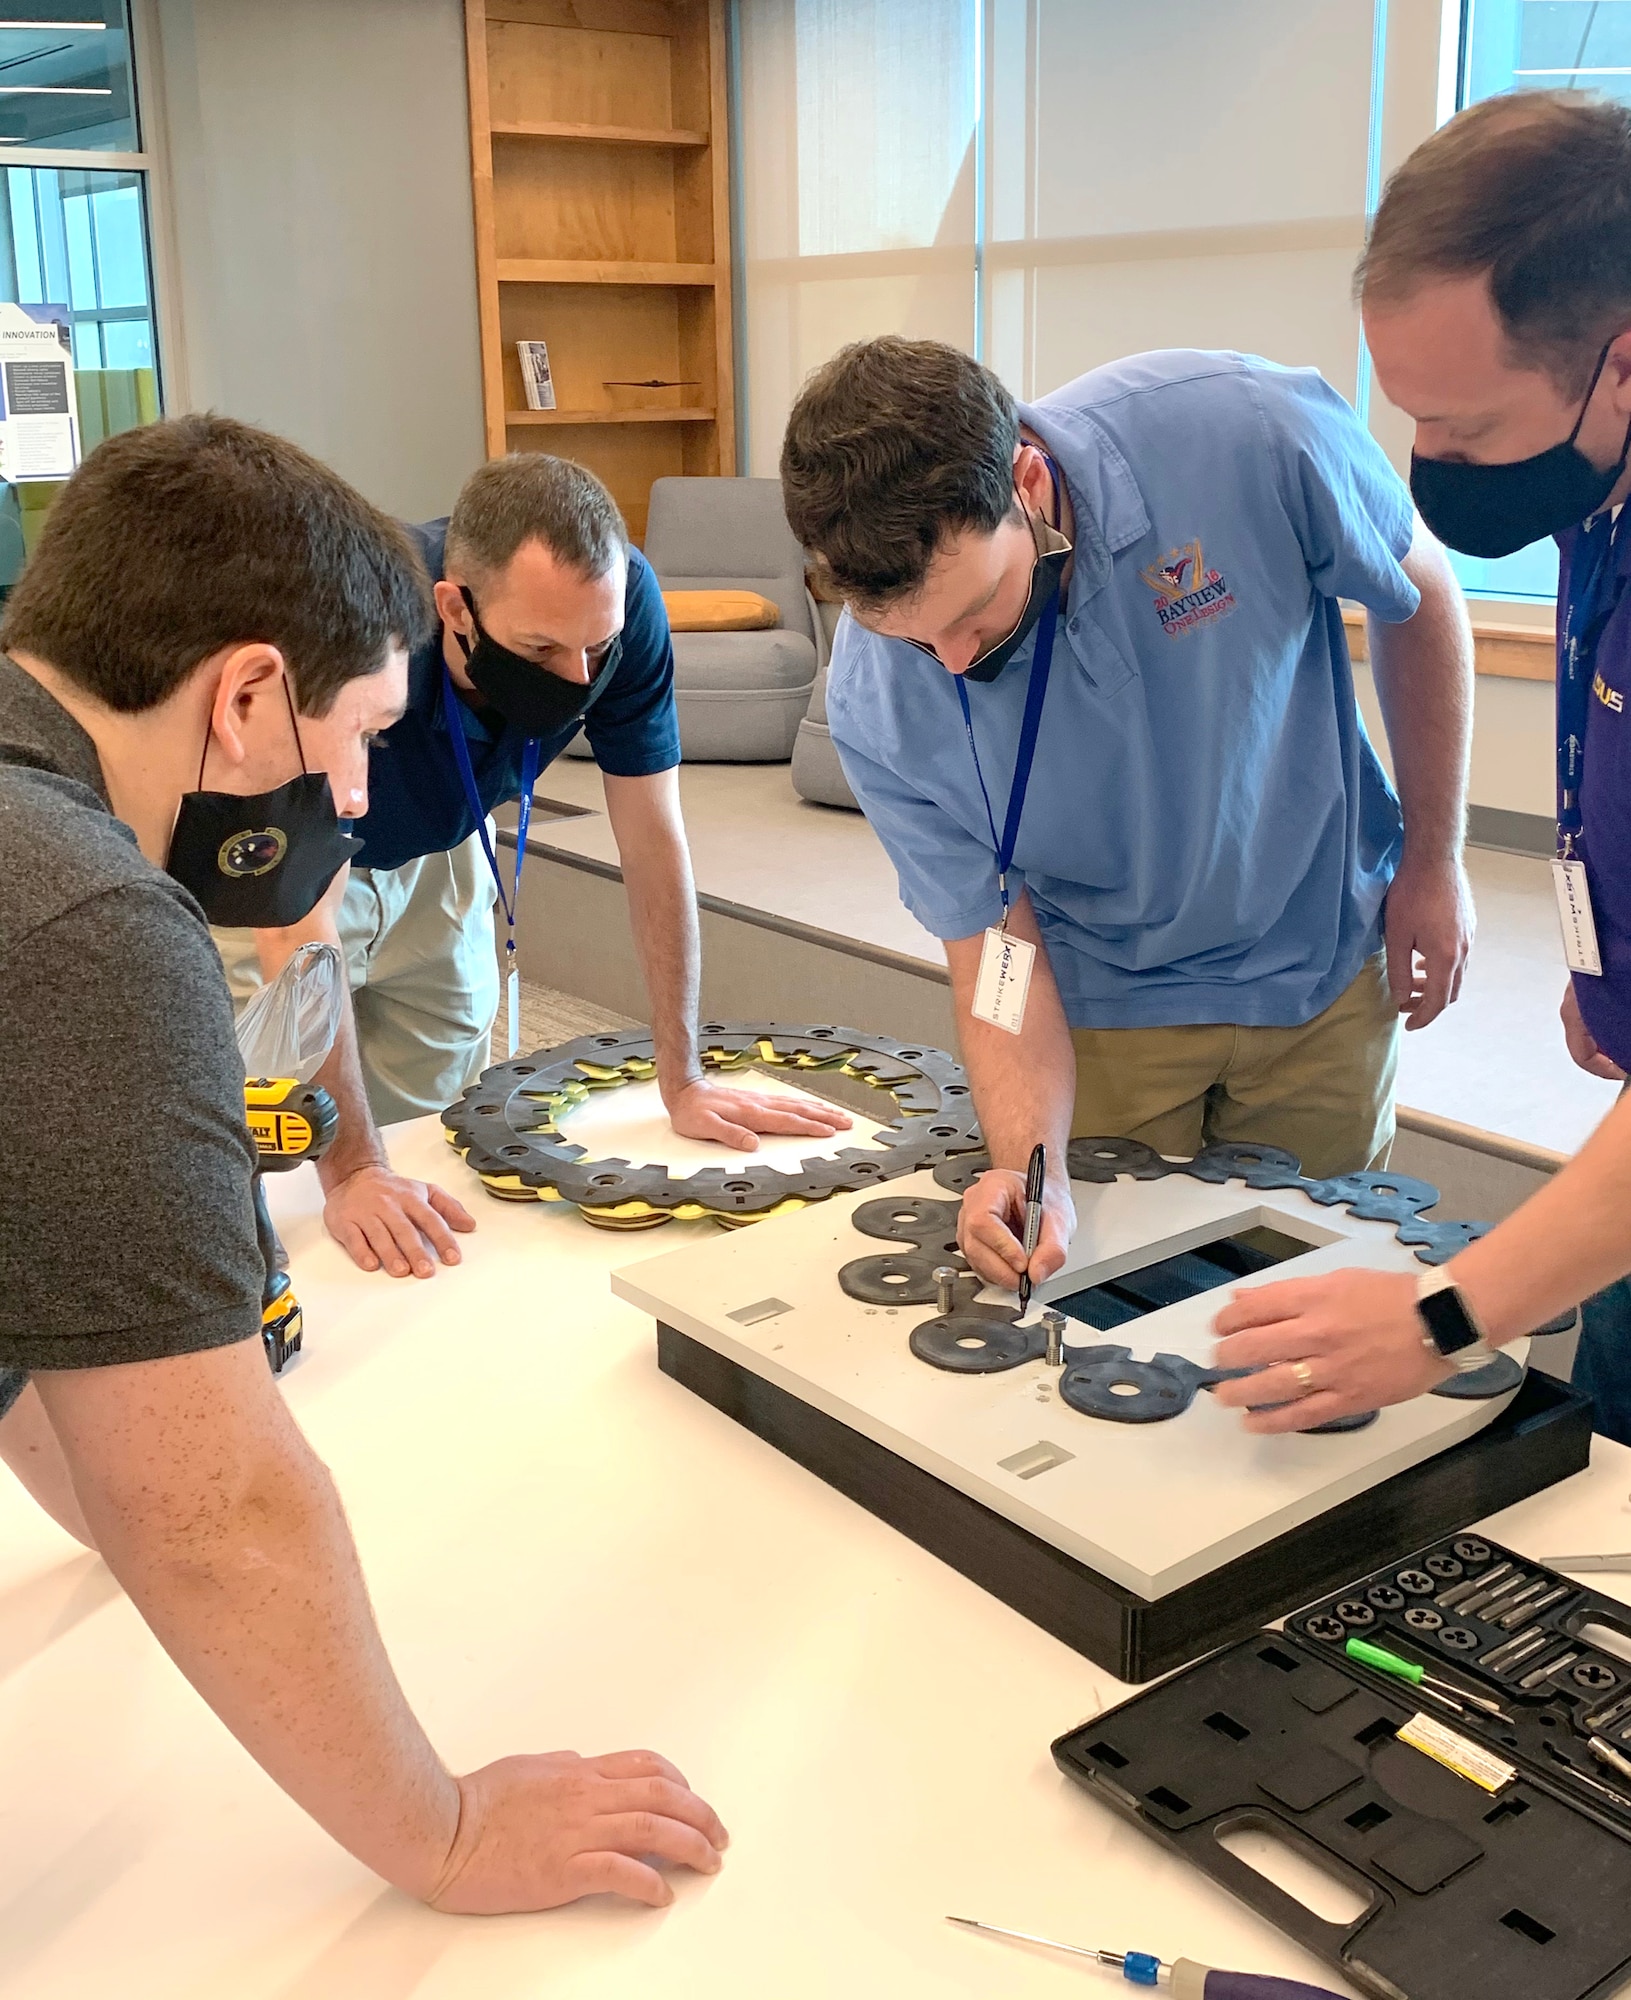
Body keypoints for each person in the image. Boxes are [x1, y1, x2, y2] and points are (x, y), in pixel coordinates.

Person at [0, 414, 727, 1909]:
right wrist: (441, 1828)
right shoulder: (87, 928)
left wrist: (112, 1522)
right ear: (252, 694)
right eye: (360, 743)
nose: (352, 803)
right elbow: (214, 1513)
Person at [779, 336, 1475, 1296]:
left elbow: (1419, 593)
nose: (948, 660)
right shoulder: (874, 700)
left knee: (1310, 1302)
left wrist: (1434, 860)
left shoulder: (1249, 430)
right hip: (1098, 1000)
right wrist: (1034, 1169)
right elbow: (994, 954)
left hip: (1317, 965)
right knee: (1111, 1318)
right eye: (907, 634)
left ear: (1025, 480)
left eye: (974, 613)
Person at [1212, 90, 1631, 1437]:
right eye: (1410, 418)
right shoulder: (1593, 481)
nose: (1428, 467)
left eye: (1466, 428)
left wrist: (1437, 1317)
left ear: (1618, 365)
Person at [218, 452, 846, 1282]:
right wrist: (356, 1169)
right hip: (286, 871)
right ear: (456, 608)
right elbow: (296, 920)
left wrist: (683, 1076)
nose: (575, 677)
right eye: (540, 647)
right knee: (259, 1153)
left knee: (436, 1141)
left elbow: (654, 846)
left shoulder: (626, 613)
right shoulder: (355, 623)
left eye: (595, 646)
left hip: (444, 853)